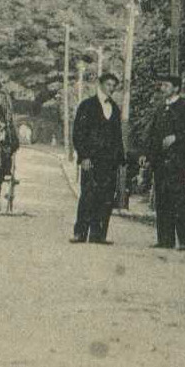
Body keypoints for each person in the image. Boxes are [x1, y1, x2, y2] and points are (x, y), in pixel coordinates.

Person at [147, 73, 185, 252]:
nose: (163, 89)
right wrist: (147, 156)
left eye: (166, 86)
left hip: (177, 161)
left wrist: (176, 138)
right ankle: (165, 239)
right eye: (162, 85)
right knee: (161, 199)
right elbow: (152, 134)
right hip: (160, 161)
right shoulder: (160, 108)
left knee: (178, 199)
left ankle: (184, 240)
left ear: (176, 88)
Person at [71, 70, 126, 243]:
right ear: (100, 85)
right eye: (108, 85)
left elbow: (118, 136)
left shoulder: (115, 109)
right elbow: (78, 133)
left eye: (114, 86)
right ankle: (80, 233)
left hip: (109, 162)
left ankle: (99, 234)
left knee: (106, 198)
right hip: (91, 160)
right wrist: (84, 156)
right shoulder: (87, 106)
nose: (111, 89)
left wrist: (120, 159)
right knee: (88, 195)